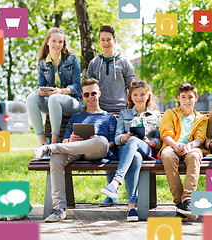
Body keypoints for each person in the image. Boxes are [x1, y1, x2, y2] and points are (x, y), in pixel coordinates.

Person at [33, 78, 117, 223]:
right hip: (75, 151)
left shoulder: (109, 117)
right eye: (86, 95)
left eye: (93, 93)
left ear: (99, 93)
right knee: (56, 158)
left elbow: (112, 144)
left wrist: (93, 140)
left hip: (96, 151)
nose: (90, 97)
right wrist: (71, 140)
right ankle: (59, 209)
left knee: (101, 140)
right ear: (82, 97)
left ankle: (51, 148)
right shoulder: (76, 117)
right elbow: (65, 141)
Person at [87, 25, 135, 205]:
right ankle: (111, 194)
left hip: (121, 112)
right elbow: (89, 88)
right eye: (103, 39)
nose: (106, 42)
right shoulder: (94, 63)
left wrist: (128, 112)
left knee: (121, 149)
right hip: (101, 114)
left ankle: (128, 193)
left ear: (114, 41)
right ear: (99, 42)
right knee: (106, 148)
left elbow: (132, 89)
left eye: (109, 39)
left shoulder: (124, 62)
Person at [100, 80, 161, 221]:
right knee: (136, 157)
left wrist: (150, 141)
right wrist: (124, 138)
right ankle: (131, 207)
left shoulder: (156, 115)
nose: (139, 98)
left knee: (135, 143)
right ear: (131, 97)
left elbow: (159, 140)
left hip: (147, 150)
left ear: (148, 95)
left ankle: (115, 182)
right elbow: (116, 138)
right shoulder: (124, 114)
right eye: (135, 95)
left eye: (142, 94)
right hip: (126, 151)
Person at [159, 82, 209, 220]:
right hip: (172, 146)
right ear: (178, 98)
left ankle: (187, 200)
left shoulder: (202, 118)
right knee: (168, 156)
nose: (187, 101)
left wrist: (190, 145)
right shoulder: (170, 113)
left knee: (195, 156)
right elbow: (166, 133)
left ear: (196, 98)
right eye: (183, 97)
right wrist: (175, 146)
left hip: (192, 148)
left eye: (190, 97)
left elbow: (200, 138)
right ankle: (180, 204)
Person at [26, 27, 83, 145]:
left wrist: (61, 91)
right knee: (31, 98)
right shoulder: (43, 62)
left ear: (63, 44)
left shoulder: (72, 59)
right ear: (47, 42)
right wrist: (41, 91)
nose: (57, 44)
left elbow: (77, 87)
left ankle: (54, 142)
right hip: (52, 102)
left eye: (60, 42)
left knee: (54, 98)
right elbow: (40, 86)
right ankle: (43, 141)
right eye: (54, 41)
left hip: (72, 102)